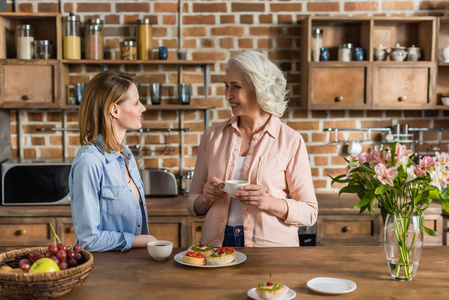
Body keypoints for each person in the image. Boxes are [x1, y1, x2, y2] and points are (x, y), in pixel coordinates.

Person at [187, 51, 318, 247]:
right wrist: (206, 199)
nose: (227, 95)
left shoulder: (291, 141)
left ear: (259, 89)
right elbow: (193, 202)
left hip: (271, 249)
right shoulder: (212, 136)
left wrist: (268, 201)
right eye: (226, 86)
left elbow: (309, 212)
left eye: (236, 87)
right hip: (217, 247)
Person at [69, 69, 157, 252]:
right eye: (136, 103)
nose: (143, 108)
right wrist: (141, 240)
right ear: (114, 110)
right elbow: (88, 240)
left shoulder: (126, 155)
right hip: (105, 272)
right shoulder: (89, 162)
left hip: (134, 268)